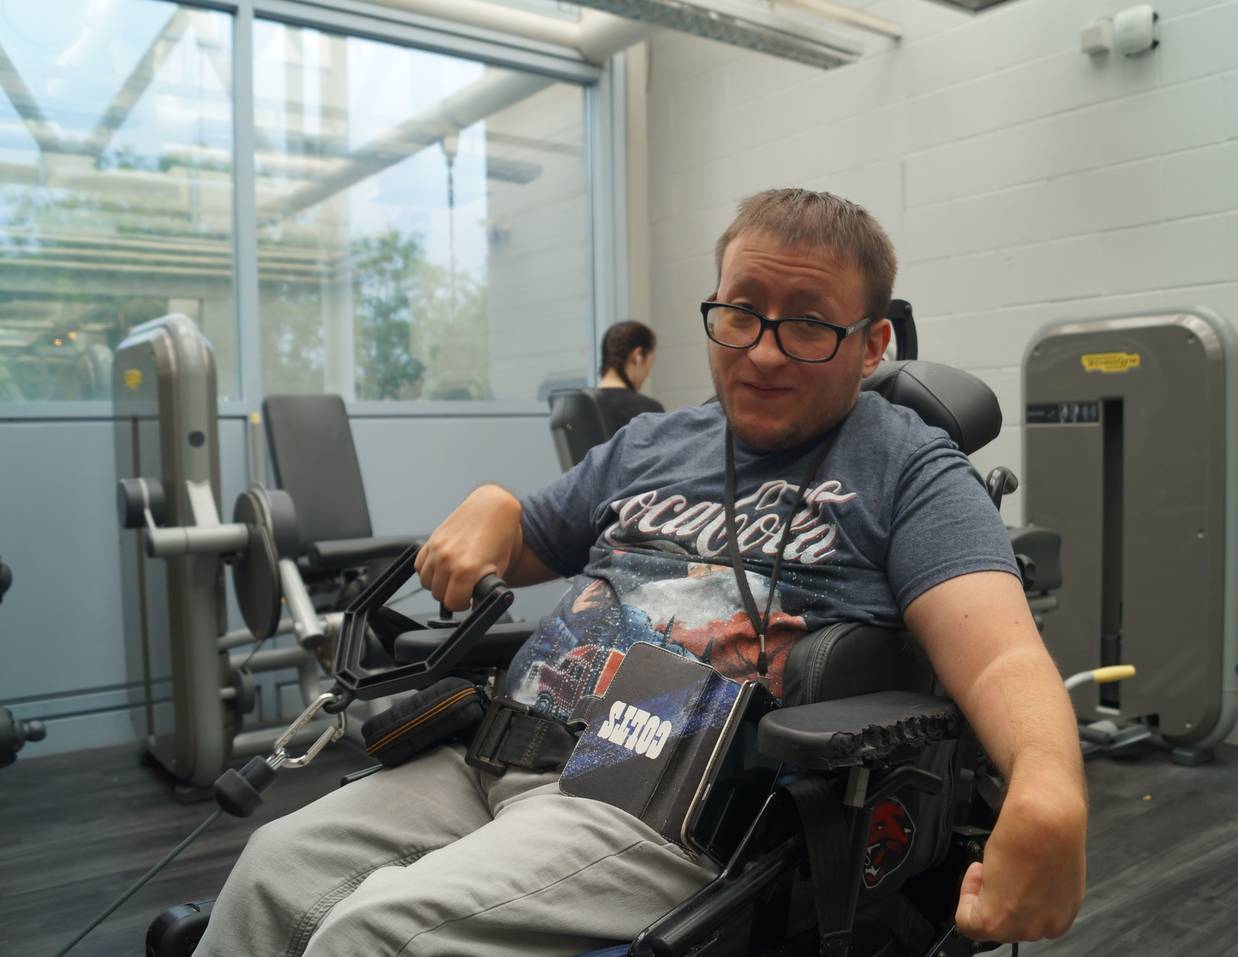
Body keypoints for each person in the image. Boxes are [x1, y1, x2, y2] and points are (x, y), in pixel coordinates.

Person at [195, 189, 1086, 957]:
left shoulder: (909, 465)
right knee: (273, 871)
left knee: (377, 935)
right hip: (496, 753)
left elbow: (1003, 656)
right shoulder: (653, 442)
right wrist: (494, 501)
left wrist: (1048, 791)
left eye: (809, 322)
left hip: (653, 798)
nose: (764, 351)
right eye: (741, 312)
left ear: (872, 341)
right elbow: (522, 537)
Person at [594, 319, 664, 431]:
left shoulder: (581, 406)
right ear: (638, 356)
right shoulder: (648, 411)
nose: (647, 374)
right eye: (648, 365)